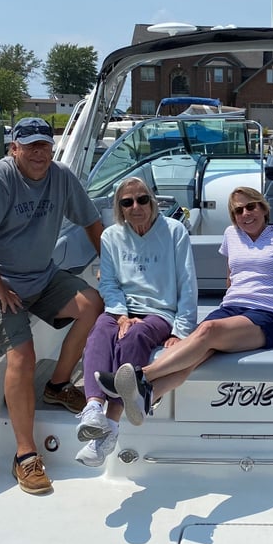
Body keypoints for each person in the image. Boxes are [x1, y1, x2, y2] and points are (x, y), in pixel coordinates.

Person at [100, 186, 273, 423]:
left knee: (207, 331)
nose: (246, 214)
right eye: (238, 211)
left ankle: (140, 376)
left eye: (251, 206)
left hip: (268, 315)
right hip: (231, 308)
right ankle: (148, 398)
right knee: (198, 355)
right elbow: (231, 277)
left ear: (263, 208)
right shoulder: (231, 235)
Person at [0, 116, 104, 495]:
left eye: (45, 145)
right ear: (14, 149)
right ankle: (25, 455)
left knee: (92, 303)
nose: (39, 152)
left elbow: (91, 221)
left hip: (41, 274)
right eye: (30, 145)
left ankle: (58, 385)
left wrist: (115, 270)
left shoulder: (61, 176)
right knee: (22, 354)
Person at [75, 177, 197, 467]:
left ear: (152, 202)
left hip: (160, 313)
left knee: (134, 338)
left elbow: (187, 284)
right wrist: (120, 315)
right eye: (127, 202)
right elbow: (110, 284)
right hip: (123, 310)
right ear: (120, 208)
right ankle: (93, 407)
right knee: (99, 333)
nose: (136, 207)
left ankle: (108, 430)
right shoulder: (110, 237)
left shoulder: (175, 231)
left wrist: (181, 331)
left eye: (142, 199)